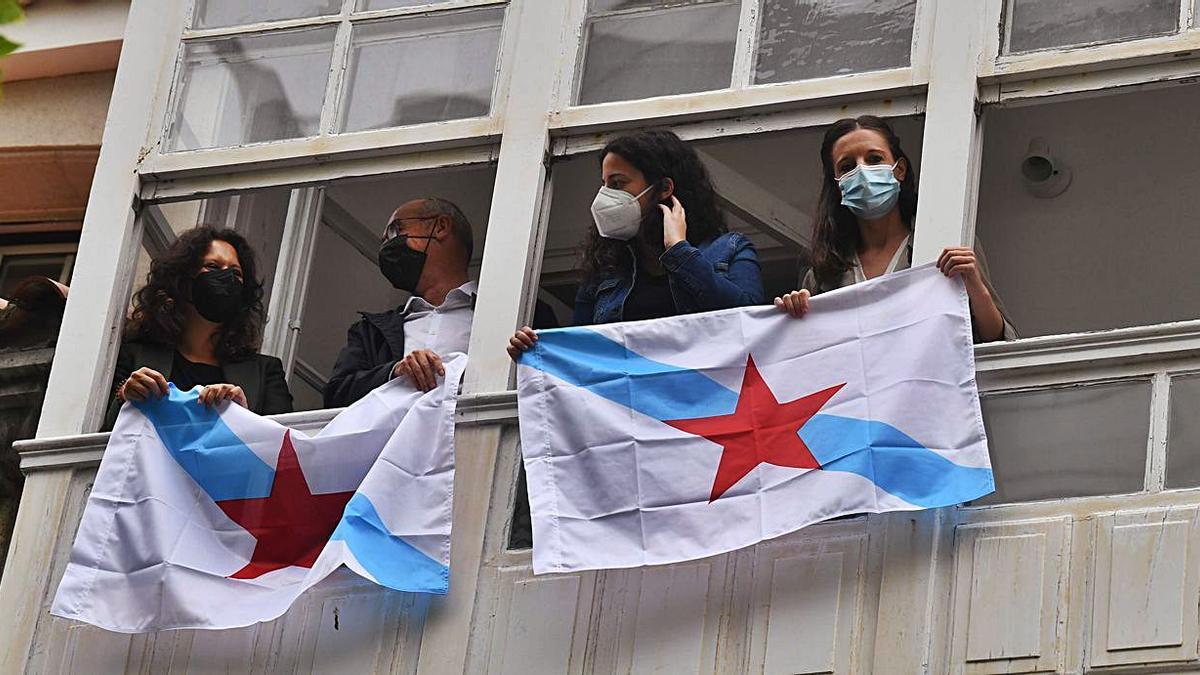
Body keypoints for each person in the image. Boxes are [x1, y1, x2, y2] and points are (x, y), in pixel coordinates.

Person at [507, 129, 764, 358]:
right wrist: (535, 350)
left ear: (664, 188)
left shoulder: (730, 249)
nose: (604, 196)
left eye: (618, 184)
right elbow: (582, 355)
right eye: (605, 185)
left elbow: (752, 322)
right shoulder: (603, 272)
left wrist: (680, 252)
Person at [774, 116, 1016, 342]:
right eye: (847, 167)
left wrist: (974, 284)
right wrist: (794, 316)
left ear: (899, 170)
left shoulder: (945, 242)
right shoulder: (824, 272)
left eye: (874, 159)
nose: (862, 171)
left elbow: (999, 340)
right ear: (838, 186)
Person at [323, 198, 557, 407]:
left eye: (396, 230)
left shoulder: (522, 313)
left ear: (440, 227)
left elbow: (555, 388)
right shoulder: (370, 332)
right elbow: (337, 395)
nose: (386, 245)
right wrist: (395, 372)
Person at [105, 226, 293, 430]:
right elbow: (98, 441)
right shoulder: (133, 354)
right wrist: (125, 396)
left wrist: (242, 415)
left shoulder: (265, 373)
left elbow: (281, 448)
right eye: (213, 267)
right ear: (182, 280)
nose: (227, 278)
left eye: (236, 273)